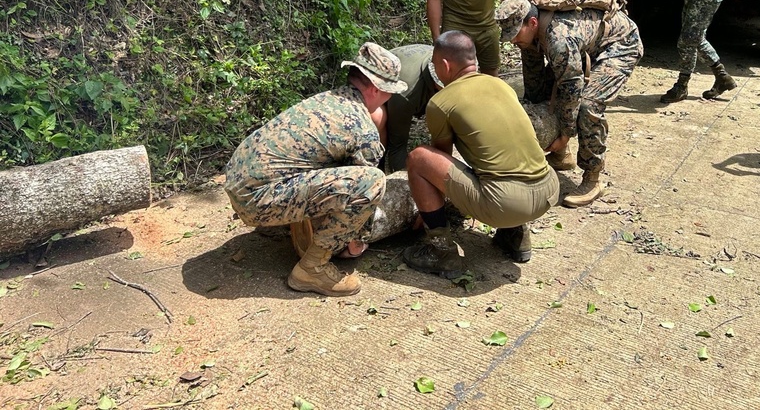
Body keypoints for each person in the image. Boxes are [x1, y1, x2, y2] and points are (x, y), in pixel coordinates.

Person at [224, 43, 407, 297]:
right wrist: (355, 241)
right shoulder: (362, 128)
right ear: (377, 89)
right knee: (373, 181)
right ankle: (312, 268)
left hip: (237, 182)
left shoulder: (326, 100)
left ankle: (286, 222)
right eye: (389, 91)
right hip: (255, 200)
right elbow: (362, 195)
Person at [402, 31, 560, 277]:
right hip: (548, 191)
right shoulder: (500, 85)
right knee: (497, 151)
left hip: (506, 203)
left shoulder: (442, 102)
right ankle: (516, 234)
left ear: (445, 65)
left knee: (419, 157)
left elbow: (439, 160)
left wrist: (428, 212)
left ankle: (441, 250)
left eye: (435, 64)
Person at [495, 0, 643, 208]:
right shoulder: (529, 36)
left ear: (533, 23)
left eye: (516, 34)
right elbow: (534, 81)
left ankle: (593, 179)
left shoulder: (559, 39)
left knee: (588, 105)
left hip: (620, 45)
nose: (513, 40)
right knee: (542, 89)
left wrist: (565, 135)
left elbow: (571, 89)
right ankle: (562, 157)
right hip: (585, 45)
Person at [380, 44, 440, 173]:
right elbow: (397, 145)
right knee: (380, 120)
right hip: (376, 89)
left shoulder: (450, 60)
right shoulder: (407, 92)